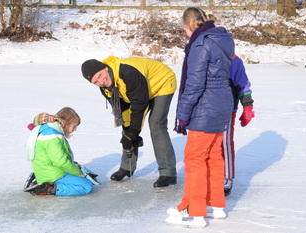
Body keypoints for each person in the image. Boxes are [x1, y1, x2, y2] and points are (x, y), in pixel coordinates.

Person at [167, 7, 234, 228]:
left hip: (205, 109)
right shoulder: (223, 39)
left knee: (194, 160)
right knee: (214, 158)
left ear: (187, 27)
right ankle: (217, 207)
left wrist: (183, 115)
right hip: (222, 105)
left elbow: (195, 85)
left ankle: (196, 213)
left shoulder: (200, 43)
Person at [81, 56, 177, 189]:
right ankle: (128, 167)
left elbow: (139, 104)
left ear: (105, 68)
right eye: (95, 82)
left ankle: (168, 173)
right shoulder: (105, 87)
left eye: (100, 76)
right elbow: (122, 109)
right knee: (127, 129)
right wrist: (129, 132)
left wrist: (134, 132)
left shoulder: (127, 72)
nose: (101, 82)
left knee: (156, 124)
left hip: (161, 82)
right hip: (139, 92)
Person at [24, 107, 99, 196]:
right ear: (66, 123)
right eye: (74, 126)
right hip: (53, 174)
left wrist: (75, 166)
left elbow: (58, 157)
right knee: (87, 186)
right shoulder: (52, 136)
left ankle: (43, 181)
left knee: (88, 174)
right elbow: (60, 162)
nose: (75, 129)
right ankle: (49, 188)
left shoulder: (48, 130)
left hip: (49, 170)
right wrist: (78, 173)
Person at [223, 54, 255, 196]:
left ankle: (227, 177)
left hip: (227, 108)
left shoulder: (234, 60)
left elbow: (243, 84)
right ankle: (208, 176)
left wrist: (247, 106)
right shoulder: (203, 55)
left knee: (224, 143)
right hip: (205, 108)